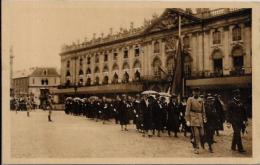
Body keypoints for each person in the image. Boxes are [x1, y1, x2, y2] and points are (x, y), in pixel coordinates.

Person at [185, 87, 206, 154]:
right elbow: (187, 110)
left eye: (197, 91)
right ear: (193, 92)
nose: (196, 93)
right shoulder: (190, 99)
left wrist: (204, 117)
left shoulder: (201, 100)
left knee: (202, 134)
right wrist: (187, 120)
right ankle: (196, 148)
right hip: (193, 118)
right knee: (196, 134)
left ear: (199, 92)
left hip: (200, 118)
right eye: (195, 91)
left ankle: (193, 140)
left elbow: (203, 110)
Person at [227, 89, 247, 153]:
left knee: (236, 133)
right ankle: (240, 148)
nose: (238, 95)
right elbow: (228, 113)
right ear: (234, 95)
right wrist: (228, 122)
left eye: (238, 94)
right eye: (236, 94)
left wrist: (245, 120)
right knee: (237, 133)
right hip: (234, 121)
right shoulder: (231, 102)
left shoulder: (241, 102)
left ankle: (233, 146)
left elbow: (244, 112)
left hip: (240, 121)